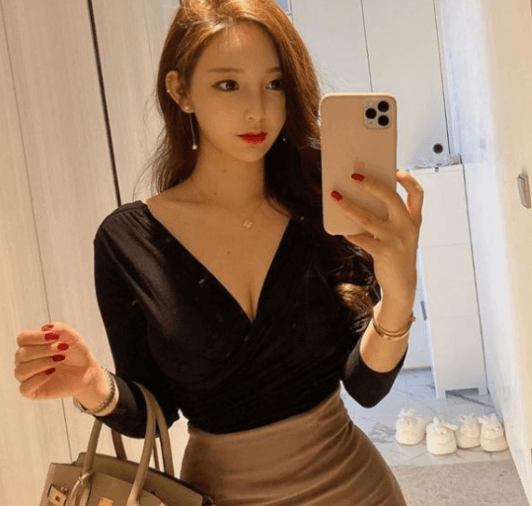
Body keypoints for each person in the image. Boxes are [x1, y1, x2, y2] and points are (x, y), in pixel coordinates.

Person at [14, 0, 424, 504]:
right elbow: (153, 414)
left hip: (356, 490)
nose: (257, 109)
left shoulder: (323, 200)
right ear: (180, 90)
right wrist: (93, 385)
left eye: (275, 83)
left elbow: (366, 386)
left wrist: (400, 293)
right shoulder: (128, 241)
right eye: (228, 84)